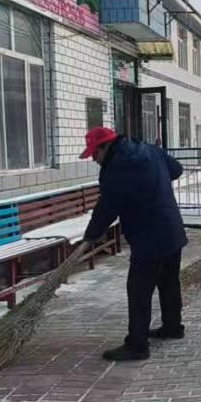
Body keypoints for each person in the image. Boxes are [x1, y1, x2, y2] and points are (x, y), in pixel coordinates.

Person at [81, 127, 187, 363]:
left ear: (106, 146)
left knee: (139, 290)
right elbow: (176, 169)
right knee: (169, 281)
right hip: (172, 228)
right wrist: (153, 181)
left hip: (148, 235)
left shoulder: (116, 168)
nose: (94, 159)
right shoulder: (149, 150)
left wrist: (91, 235)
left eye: (94, 154)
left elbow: (107, 207)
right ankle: (172, 326)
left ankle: (137, 345)